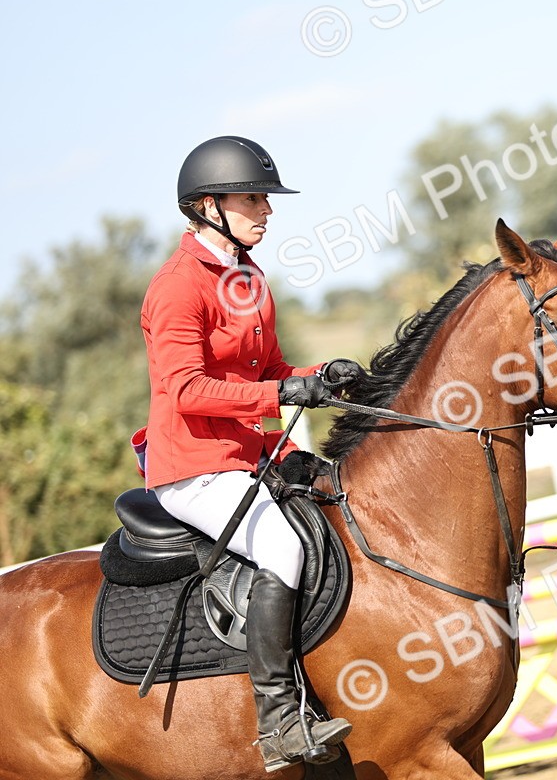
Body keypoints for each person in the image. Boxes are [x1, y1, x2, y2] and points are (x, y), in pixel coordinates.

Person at [139, 135, 365, 772]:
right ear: (209, 206)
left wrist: (321, 375)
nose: (267, 210)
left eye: (265, 199)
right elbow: (186, 390)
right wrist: (283, 392)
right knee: (282, 548)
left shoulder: (248, 277)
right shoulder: (177, 286)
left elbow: (268, 372)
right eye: (253, 199)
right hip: (195, 467)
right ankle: (279, 721)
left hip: (251, 454)